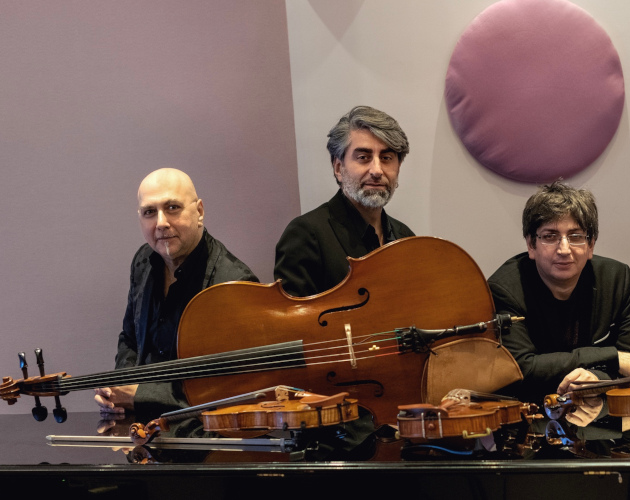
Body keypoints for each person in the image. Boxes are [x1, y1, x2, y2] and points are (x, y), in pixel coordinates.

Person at [94, 168, 258, 415]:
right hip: (144, 428)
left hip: (203, 432)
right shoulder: (143, 261)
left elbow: (230, 388)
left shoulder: (234, 284)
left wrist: (141, 395)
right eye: (150, 212)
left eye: (172, 207)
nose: (161, 223)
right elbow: (130, 338)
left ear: (199, 212)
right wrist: (119, 387)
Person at [488, 182, 630, 405]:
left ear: (591, 245)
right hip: (532, 413)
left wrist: (597, 378)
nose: (564, 249)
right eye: (550, 236)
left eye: (575, 236)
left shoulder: (616, 278)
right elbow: (519, 369)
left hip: (602, 413)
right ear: (531, 245)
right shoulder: (504, 289)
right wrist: (610, 357)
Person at [274, 105, 415, 297]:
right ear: (338, 168)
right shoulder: (306, 235)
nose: (377, 170)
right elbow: (294, 315)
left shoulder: (406, 237)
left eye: (386, 158)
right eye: (363, 157)